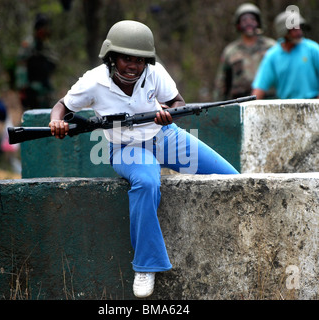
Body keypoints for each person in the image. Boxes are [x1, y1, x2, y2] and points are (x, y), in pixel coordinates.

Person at [48, 20, 239, 298]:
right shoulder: (93, 81)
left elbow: (178, 102)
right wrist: (57, 123)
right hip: (125, 148)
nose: (133, 65)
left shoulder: (155, 73)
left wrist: (170, 113)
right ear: (111, 57)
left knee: (232, 178)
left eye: (139, 60)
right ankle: (145, 265)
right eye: (127, 58)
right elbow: (62, 106)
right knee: (147, 181)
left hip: (164, 137)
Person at [252, 9, 319, 99]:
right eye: (294, 29)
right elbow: (260, 87)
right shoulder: (272, 56)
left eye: (299, 27)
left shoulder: (313, 49)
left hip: (313, 104)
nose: (299, 32)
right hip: (286, 107)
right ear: (284, 32)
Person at [213, 3, 276, 100]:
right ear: (238, 25)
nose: (249, 23)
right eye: (244, 20)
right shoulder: (231, 51)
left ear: (258, 23)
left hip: (268, 99)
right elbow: (222, 83)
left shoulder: (271, 47)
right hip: (240, 101)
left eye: (252, 20)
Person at [15, 13, 58, 110]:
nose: (47, 30)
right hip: (32, 89)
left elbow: (53, 62)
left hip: (45, 88)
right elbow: (21, 65)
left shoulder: (46, 45)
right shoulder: (29, 44)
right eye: (45, 27)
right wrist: (23, 89)